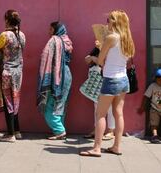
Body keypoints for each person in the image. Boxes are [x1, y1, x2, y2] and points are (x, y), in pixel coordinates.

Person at [80, 10, 135, 157]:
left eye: (109, 20)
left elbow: (100, 61)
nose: (107, 23)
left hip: (111, 79)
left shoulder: (111, 38)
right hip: (123, 79)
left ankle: (97, 148)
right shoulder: (127, 38)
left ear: (115, 22)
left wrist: (96, 53)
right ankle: (116, 146)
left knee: (100, 114)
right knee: (119, 114)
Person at [0, 9, 26, 143]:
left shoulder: (4, 35)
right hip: (18, 73)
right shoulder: (22, 35)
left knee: (8, 102)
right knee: (15, 101)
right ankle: (17, 130)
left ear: (6, 20)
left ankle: (10, 134)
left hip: (6, 72)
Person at [37, 22, 73, 140]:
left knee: (49, 107)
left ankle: (60, 130)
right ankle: (59, 130)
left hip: (56, 76)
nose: (49, 31)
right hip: (66, 74)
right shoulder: (66, 40)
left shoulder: (54, 40)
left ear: (55, 29)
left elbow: (45, 56)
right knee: (61, 104)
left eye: (50, 29)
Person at [82, 41, 115, 140]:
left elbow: (103, 62)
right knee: (97, 107)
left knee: (109, 106)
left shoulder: (110, 48)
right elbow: (86, 59)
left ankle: (110, 131)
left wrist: (94, 57)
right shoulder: (97, 49)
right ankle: (97, 130)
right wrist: (95, 53)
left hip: (105, 80)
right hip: (95, 83)